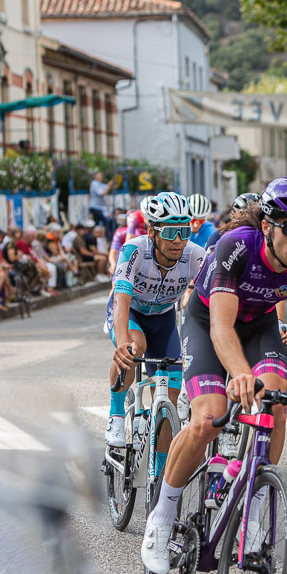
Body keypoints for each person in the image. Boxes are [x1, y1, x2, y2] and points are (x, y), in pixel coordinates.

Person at [140, 177, 287, 574]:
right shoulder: (235, 246)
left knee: (276, 400)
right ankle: (162, 516)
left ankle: (252, 512)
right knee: (207, 417)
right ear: (269, 226)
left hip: (258, 327)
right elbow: (220, 326)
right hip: (208, 324)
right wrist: (238, 373)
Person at [104, 191, 205, 447]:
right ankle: (116, 413)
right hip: (131, 314)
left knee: (168, 406)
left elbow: (219, 297)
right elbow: (121, 300)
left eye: (184, 231)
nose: (179, 240)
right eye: (171, 232)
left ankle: (158, 477)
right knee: (135, 347)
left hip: (163, 320)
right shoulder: (134, 250)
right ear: (152, 232)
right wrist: (122, 342)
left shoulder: (194, 254)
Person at [88, 170, 114, 240]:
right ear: (95, 176)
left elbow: (108, 187)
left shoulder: (100, 184)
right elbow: (103, 193)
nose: (101, 177)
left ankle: (102, 238)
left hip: (100, 208)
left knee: (104, 223)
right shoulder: (94, 184)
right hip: (95, 207)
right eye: (99, 175)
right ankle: (104, 238)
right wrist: (109, 185)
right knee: (104, 222)